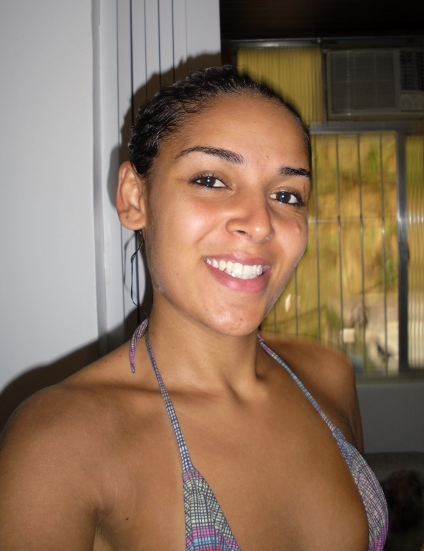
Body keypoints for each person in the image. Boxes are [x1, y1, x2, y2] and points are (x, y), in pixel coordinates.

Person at [0, 65, 388, 550]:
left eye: (286, 195)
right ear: (135, 197)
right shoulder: (59, 442)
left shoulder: (328, 376)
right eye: (211, 180)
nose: (260, 223)